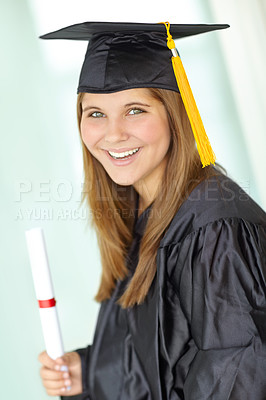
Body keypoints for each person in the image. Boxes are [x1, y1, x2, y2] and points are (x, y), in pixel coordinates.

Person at [38, 22, 266, 399]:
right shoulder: (142, 208)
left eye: (134, 110)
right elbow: (164, 355)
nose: (113, 134)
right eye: (95, 113)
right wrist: (92, 372)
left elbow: (237, 376)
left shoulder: (215, 231)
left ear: (174, 114)